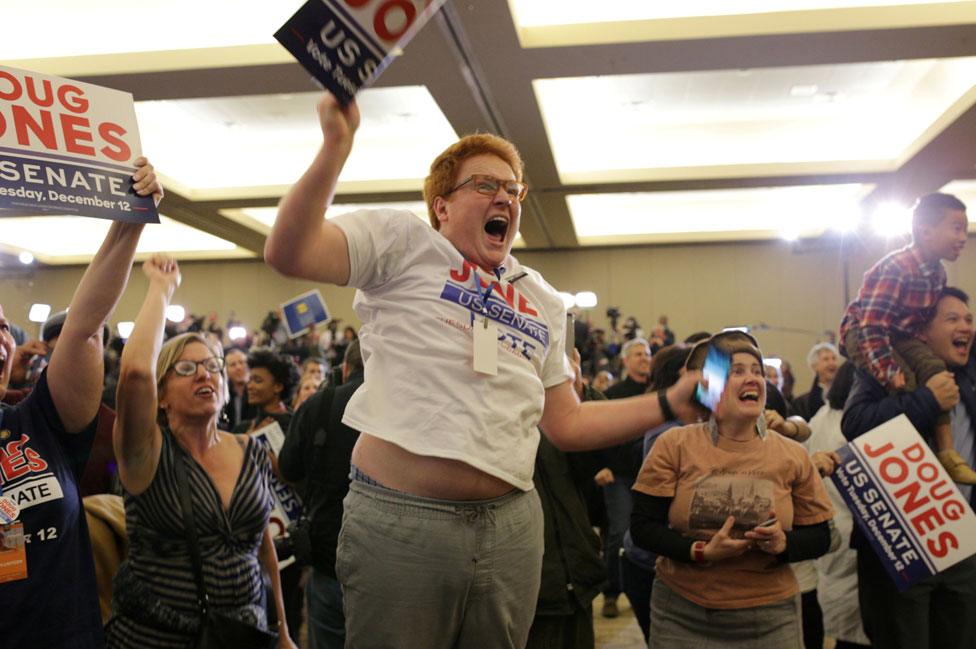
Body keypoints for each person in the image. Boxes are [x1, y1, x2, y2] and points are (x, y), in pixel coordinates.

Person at [264, 90, 702, 649]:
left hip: (512, 526)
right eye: (485, 185)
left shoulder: (541, 297)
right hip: (403, 524)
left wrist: (669, 404)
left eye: (513, 189)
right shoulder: (404, 244)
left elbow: (565, 424)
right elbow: (289, 250)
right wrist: (335, 147)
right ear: (442, 206)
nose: (506, 197)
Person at [0, 158, 160, 649]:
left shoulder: (38, 421)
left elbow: (85, 329)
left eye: (4, 326)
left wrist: (130, 216)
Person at [107, 255, 296, 649]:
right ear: (161, 395)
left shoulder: (249, 449)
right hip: (156, 639)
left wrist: (282, 629)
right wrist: (161, 289)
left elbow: (260, 543)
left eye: (213, 366)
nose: (206, 374)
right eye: (187, 370)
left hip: (242, 635)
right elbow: (136, 372)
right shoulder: (145, 451)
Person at [631, 332, 834, 648]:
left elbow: (822, 536)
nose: (752, 378)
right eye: (736, 371)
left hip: (770, 616)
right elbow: (643, 527)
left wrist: (783, 543)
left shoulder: (792, 455)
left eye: (757, 370)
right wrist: (700, 552)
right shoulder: (674, 445)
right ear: (710, 388)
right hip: (683, 611)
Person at [841, 286, 976, 649]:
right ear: (921, 330)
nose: (965, 326)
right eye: (952, 319)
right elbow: (855, 423)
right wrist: (928, 400)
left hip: (963, 545)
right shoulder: (883, 371)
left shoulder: (970, 379)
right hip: (900, 546)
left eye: (969, 319)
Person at [839, 192, 971, 482]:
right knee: (908, 384)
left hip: (901, 334)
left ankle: (947, 452)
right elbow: (872, 326)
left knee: (936, 371)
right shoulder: (896, 268)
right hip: (863, 332)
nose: (963, 237)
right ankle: (912, 466)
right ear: (926, 231)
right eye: (957, 228)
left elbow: (917, 323)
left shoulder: (938, 273)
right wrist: (887, 370)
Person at [279, 339, 364, 649]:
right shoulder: (407, 404)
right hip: (393, 563)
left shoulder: (319, 404)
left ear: (345, 369)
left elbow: (289, 469)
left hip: (330, 556)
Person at [526, 351, 607, 649]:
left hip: (575, 581)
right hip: (529, 591)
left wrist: (580, 394)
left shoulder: (556, 419)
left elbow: (607, 456)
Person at [805, 362, 870, 649]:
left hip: (828, 529)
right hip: (855, 529)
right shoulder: (855, 424)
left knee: (842, 620)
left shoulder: (818, 418)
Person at [598, 337, 652, 618]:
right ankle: (611, 592)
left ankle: (642, 589)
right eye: (639, 354)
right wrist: (603, 466)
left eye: (647, 353)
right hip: (618, 475)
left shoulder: (658, 392)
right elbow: (603, 432)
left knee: (648, 535)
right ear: (626, 361)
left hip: (652, 477)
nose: (644, 358)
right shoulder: (615, 392)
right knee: (619, 532)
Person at [792, 342, 841, 422]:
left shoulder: (846, 395)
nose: (832, 363)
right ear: (814, 366)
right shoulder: (801, 403)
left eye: (834, 358)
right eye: (826, 359)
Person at [219, 348, 255, 431]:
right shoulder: (222, 396)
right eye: (233, 365)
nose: (238, 367)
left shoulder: (258, 392)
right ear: (226, 370)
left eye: (242, 362)